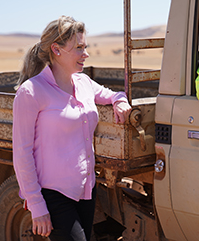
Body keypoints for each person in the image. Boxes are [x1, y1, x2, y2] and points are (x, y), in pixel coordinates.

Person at [12, 15, 132, 240]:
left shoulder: (83, 82)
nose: (85, 54)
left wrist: (120, 101)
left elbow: (112, 94)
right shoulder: (31, 92)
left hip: (86, 191)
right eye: (78, 48)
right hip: (53, 193)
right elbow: (21, 153)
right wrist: (37, 206)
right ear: (56, 50)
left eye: (85, 47)